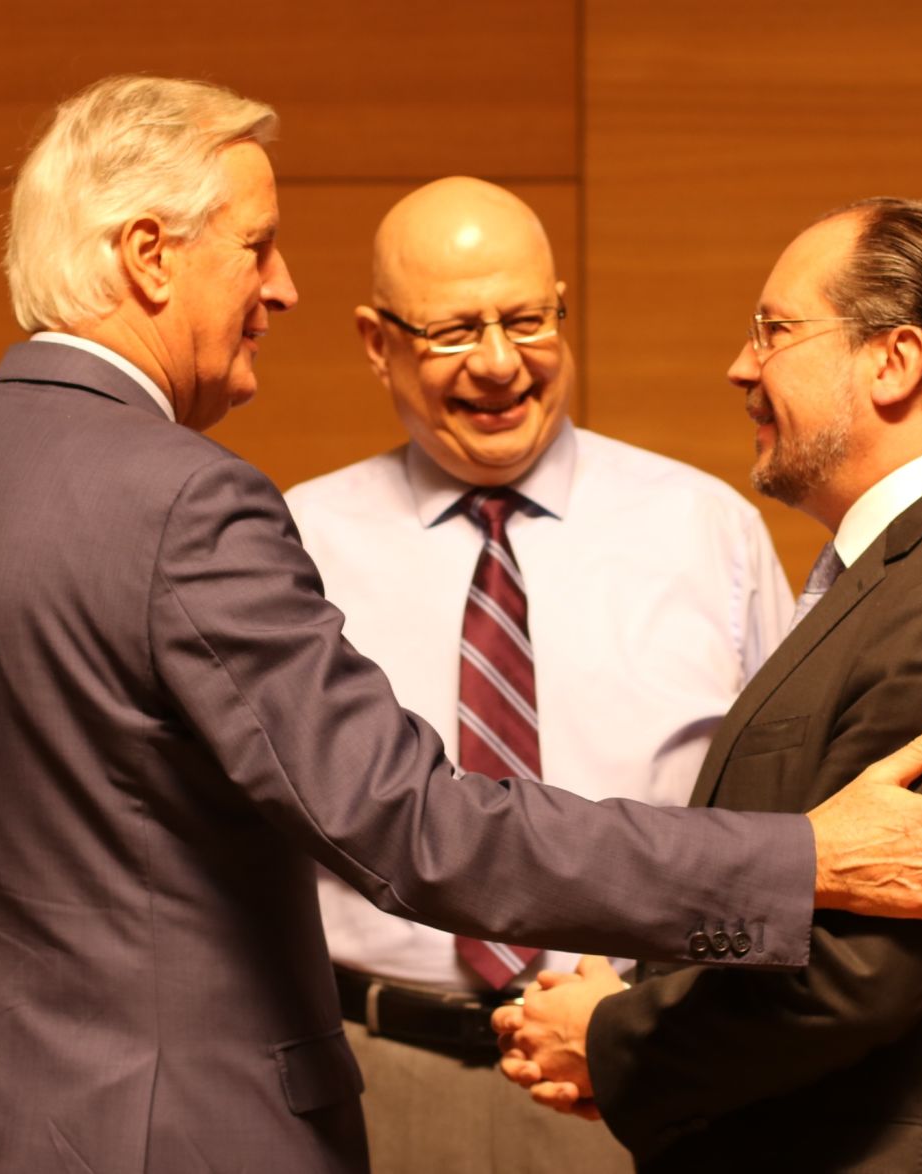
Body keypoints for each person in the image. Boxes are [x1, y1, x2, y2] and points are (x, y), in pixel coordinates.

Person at [0, 73, 922, 1174]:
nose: (282, 287)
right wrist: (796, 863)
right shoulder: (186, 498)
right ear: (149, 256)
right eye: (257, 246)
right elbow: (410, 821)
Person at [496, 198, 922, 1173]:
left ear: (893, 360)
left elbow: (853, 968)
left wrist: (613, 1039)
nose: (741, 366)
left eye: (774, 331)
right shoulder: (918, 570)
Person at [284, 176, 793, 1174]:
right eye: (450, 331)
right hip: (369, 1076)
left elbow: (781, 810)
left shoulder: (705, 532)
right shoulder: (293, 543)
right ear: (374, 340)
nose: (497, 363)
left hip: (637, 1071)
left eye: (525, 319)